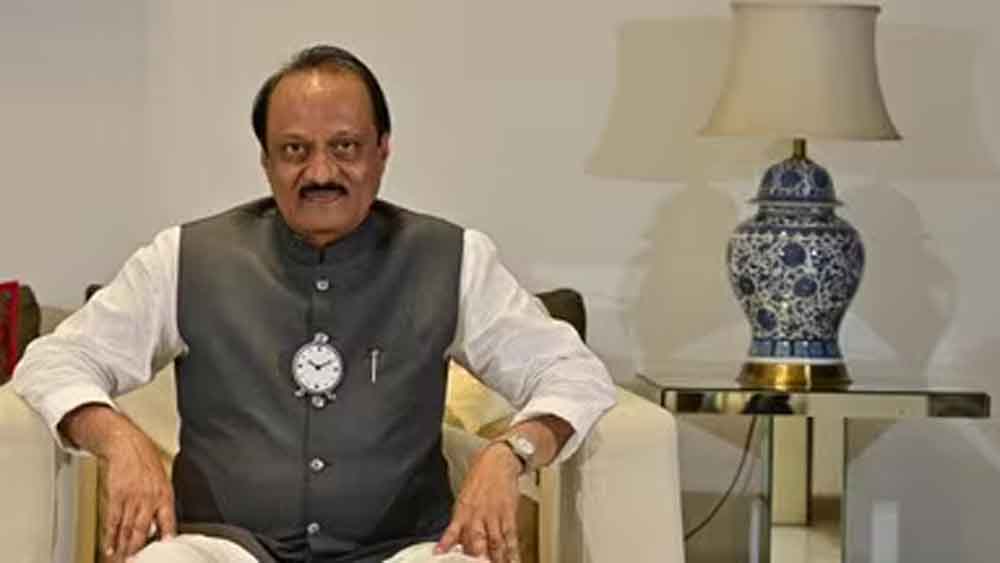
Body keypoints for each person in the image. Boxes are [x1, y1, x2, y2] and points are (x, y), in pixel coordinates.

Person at [12, 45, 615, 563]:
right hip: (224, 548)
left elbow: (573, 373)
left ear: (382, 151)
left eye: (345, 146)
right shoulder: (183, 257)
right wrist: (118, 438)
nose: (320, 171)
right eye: (295, 150)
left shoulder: (453, 258)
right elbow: (52, 361)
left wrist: (511, 452)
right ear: (266, 161)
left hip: (404, 549)